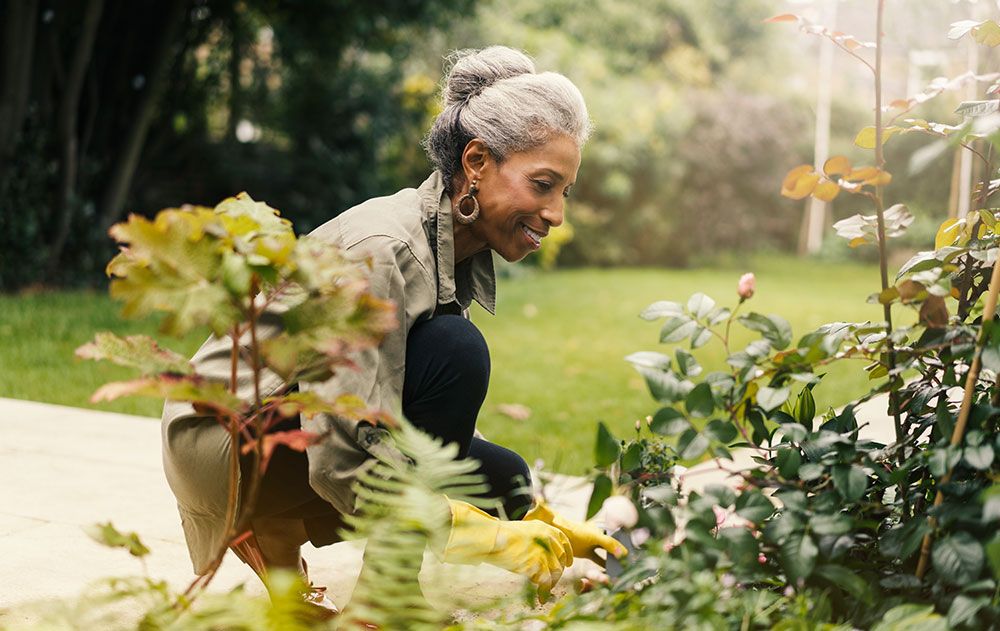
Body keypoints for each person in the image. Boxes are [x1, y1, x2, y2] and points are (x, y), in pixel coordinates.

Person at [161, 45, 626, 614]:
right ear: (477, 162)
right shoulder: (385, 250)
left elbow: (414, 411)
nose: (556, 214)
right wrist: (483, 536)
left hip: (282, 428)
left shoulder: (448, 244)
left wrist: (537, 521)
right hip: (223, 442)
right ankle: (383, 597)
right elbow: (339, 451)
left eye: (564, 191)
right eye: (543, 184)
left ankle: (277, 532)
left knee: (504, 479)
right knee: (457, 351)